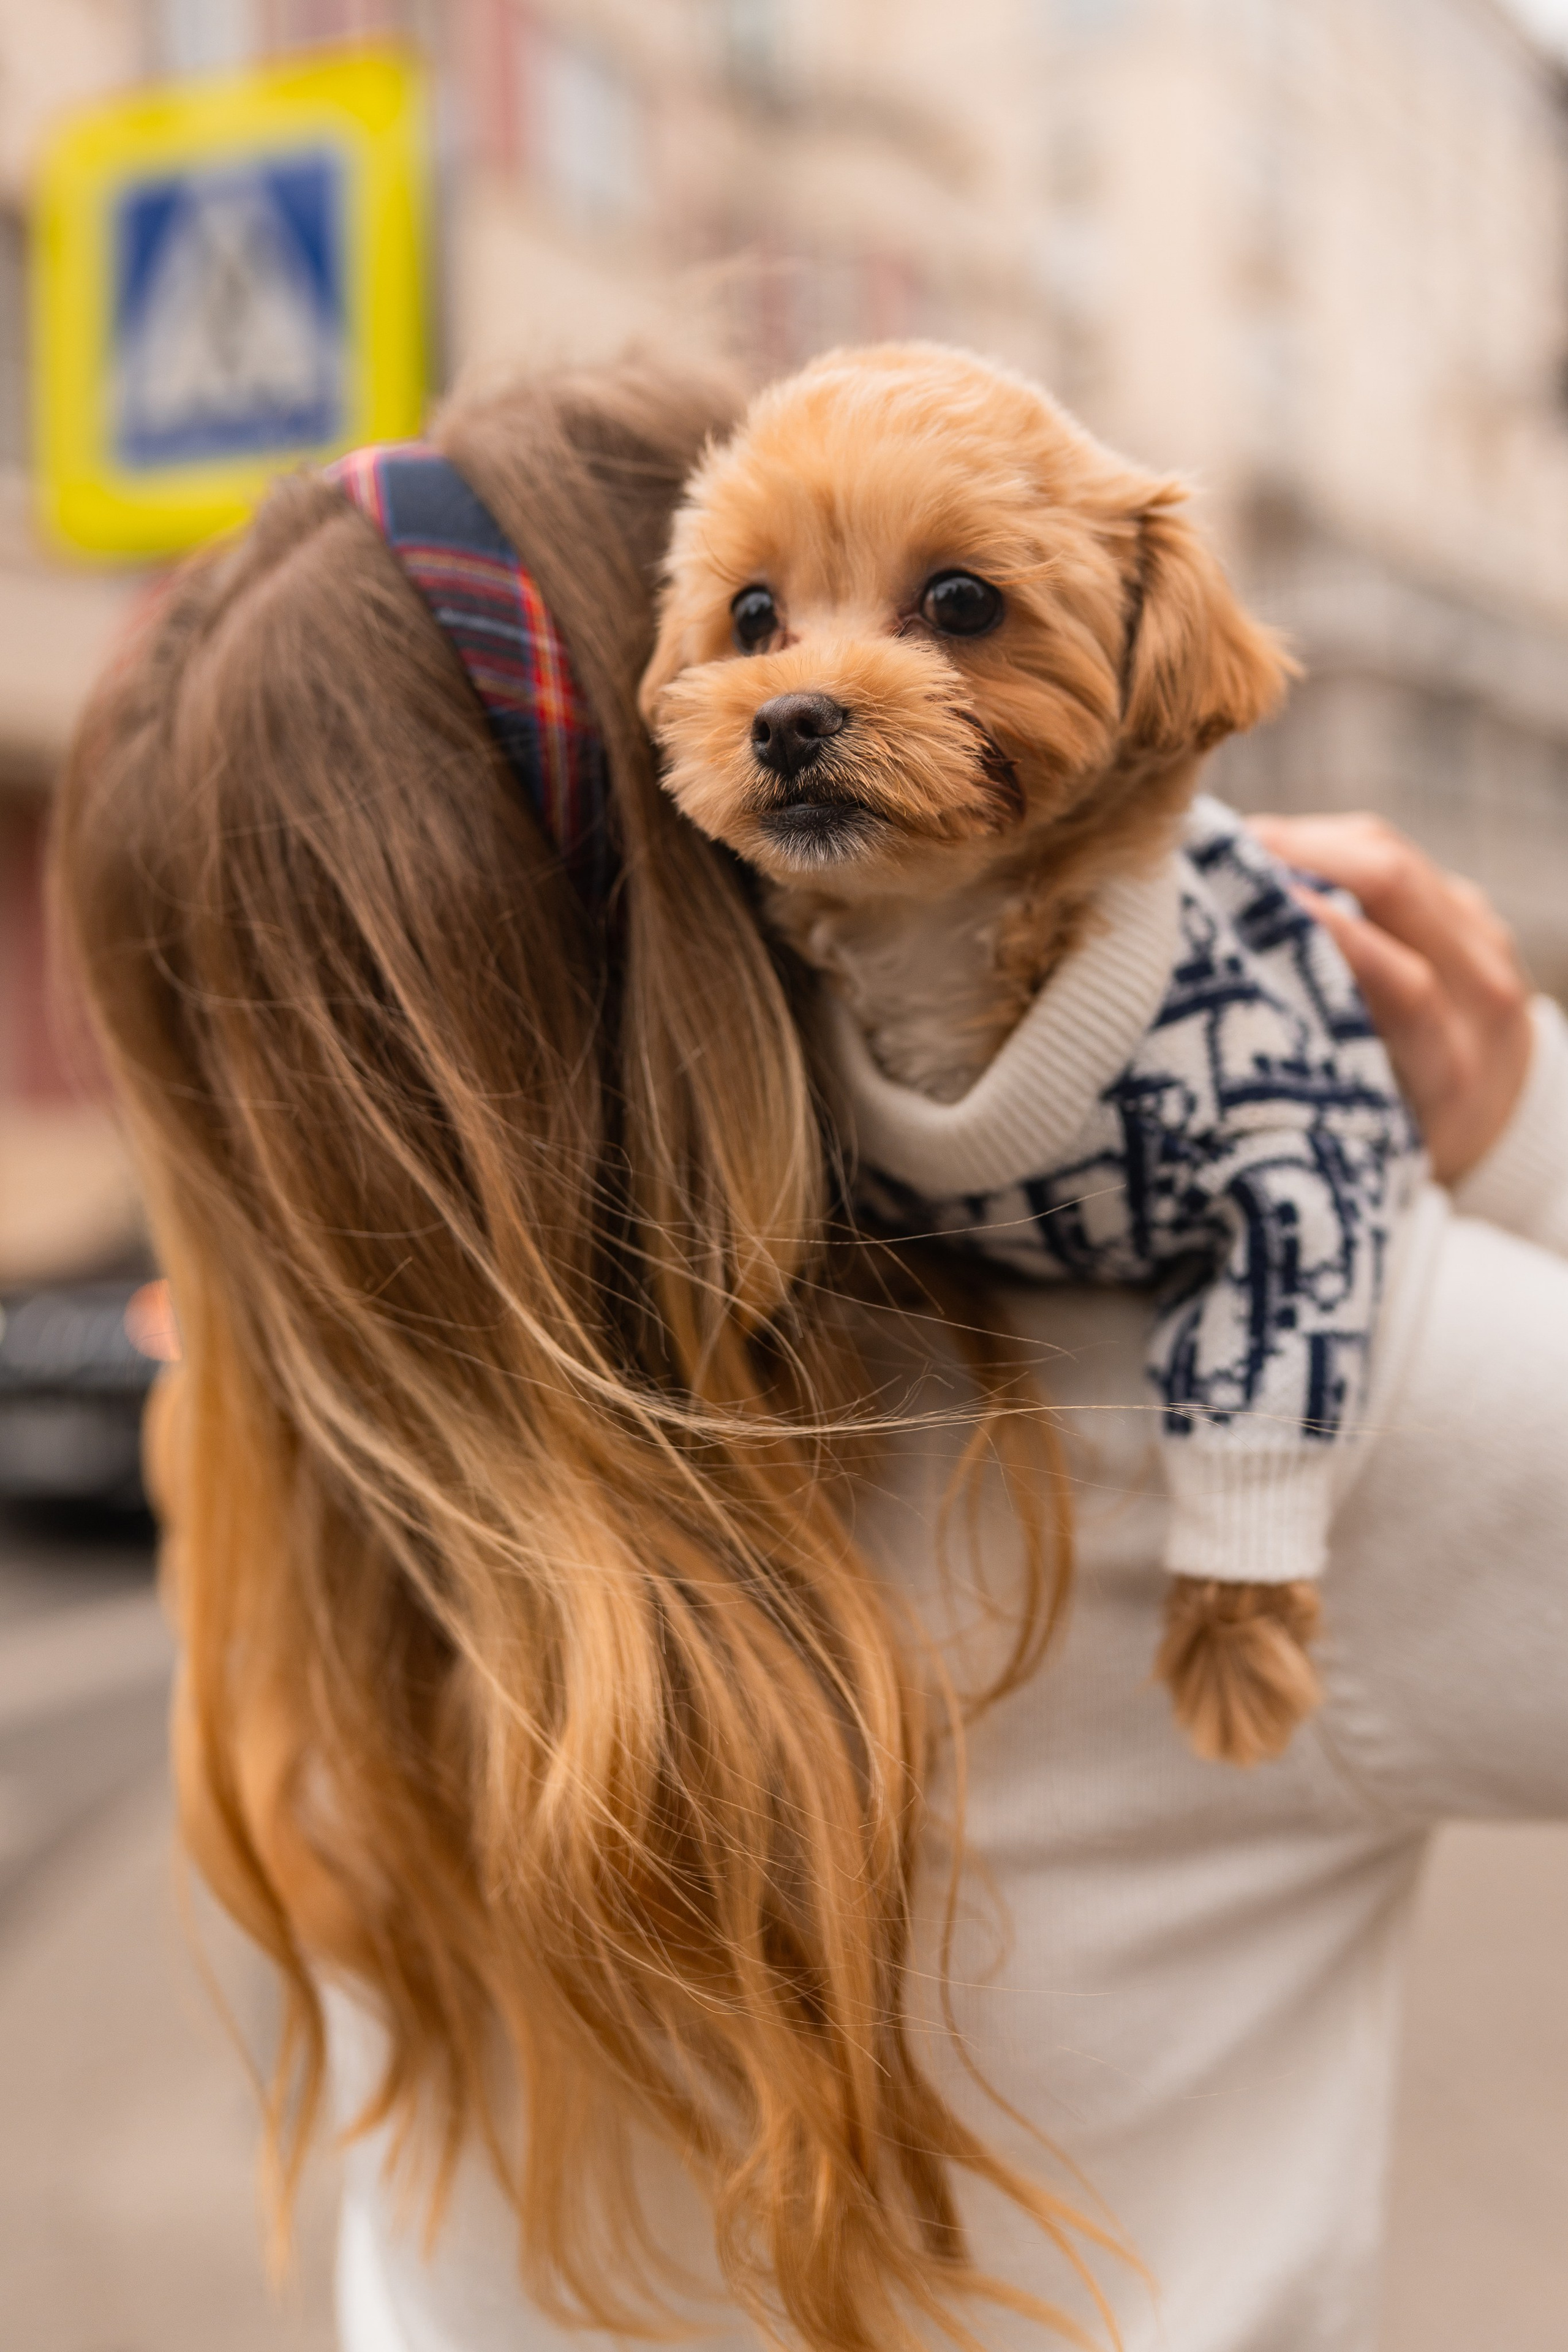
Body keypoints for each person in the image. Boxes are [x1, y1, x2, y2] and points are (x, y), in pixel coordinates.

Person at [50, 353, 1568, 2352]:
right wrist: (1524, 1131)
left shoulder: (311, 1491)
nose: (809, 680)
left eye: (952, 605)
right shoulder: (1288, 1394)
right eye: (750, 619)